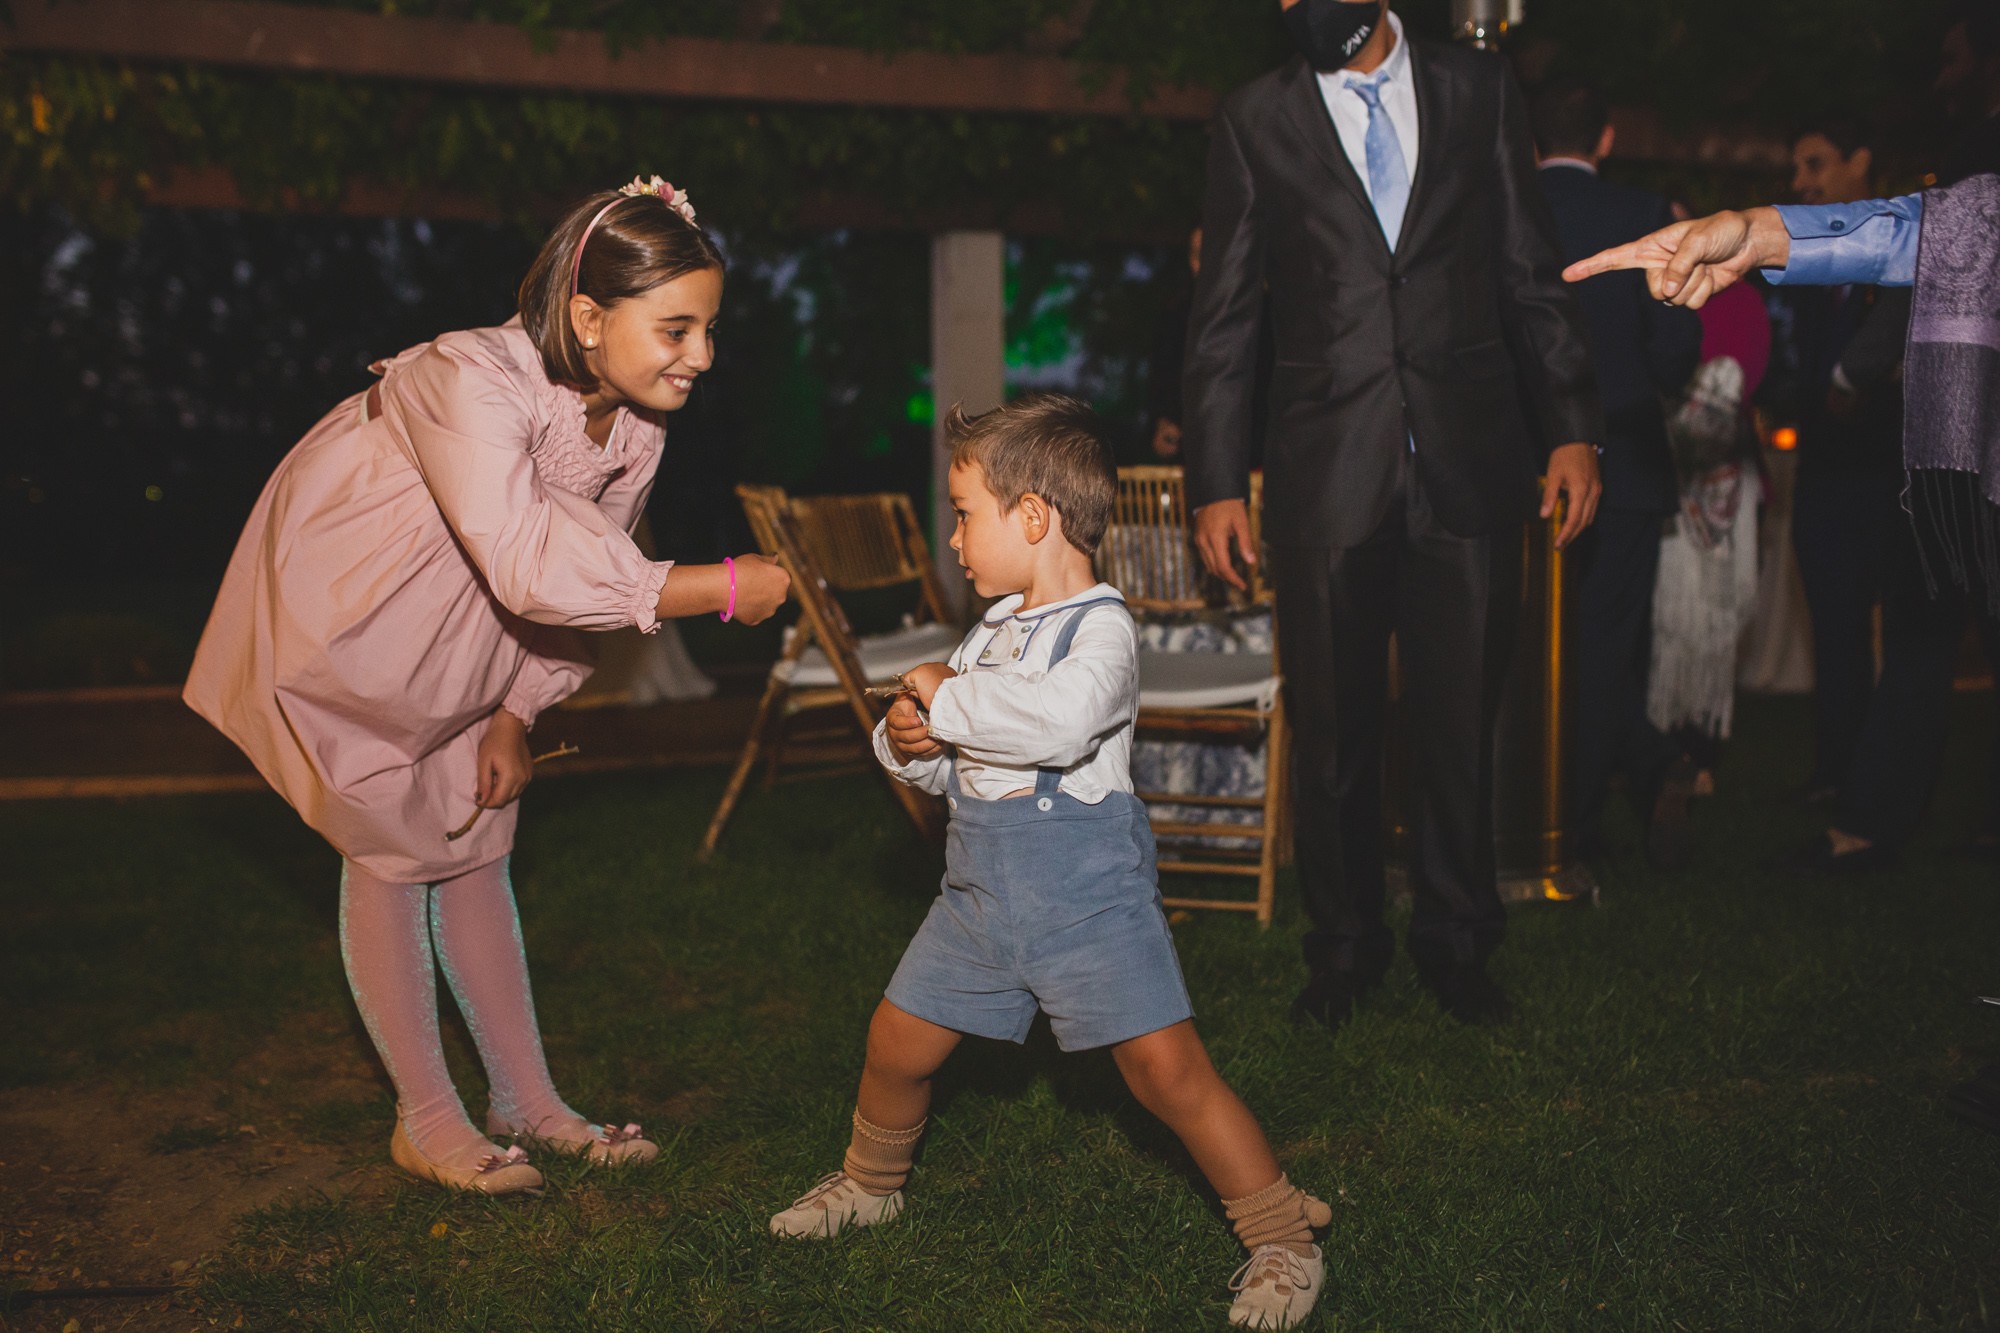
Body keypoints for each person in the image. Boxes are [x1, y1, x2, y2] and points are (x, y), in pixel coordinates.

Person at [184, 177, 791, 1195]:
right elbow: (523, 559)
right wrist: (719, 589)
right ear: (589, 318)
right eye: (677, 328)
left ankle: (527, 1102)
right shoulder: (465, 375)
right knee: (389, 849)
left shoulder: (634, 429)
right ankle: (424, 1119)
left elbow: (571, 579)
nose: (702, 355)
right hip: (357, 619)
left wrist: (517, 707)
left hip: (467, 629)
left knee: (474, 842)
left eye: (711, 328)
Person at [769, 397, 1332, 1331]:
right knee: (894, 1044)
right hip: (978, 899)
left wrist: (949, 702)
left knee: (1167, 1076)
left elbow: (1057, 726)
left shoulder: (1102, 632)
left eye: (963, 512)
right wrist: (911, 739)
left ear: (1033, 517)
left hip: (1085, 904)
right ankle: (872, 1183)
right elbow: (962, 761)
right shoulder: (988, 630)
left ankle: (1282, 1236)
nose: (953, 537)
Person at [1183, 0, 1605, 1032]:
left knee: (1461, 715)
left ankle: (1458, 942)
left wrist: (1571, 425)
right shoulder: (1254, 118)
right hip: (1324, 465)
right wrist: (1213, 479)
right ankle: (1342, 948)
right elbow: (1227, 315)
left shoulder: (1476, 90)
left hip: (1468, 458)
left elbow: (1526, 269)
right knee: (1333, 729)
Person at [1530, 75, 1704, 865]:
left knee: (1530, 644)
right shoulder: (1645, 216)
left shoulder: (1504, 209)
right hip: (1628, 461)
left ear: (1531, 141)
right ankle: (1595, 806)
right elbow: (1675, 357)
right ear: (1604, 138)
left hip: (1522, 466)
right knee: (1605, 643)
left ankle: (1558, 810)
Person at [1776, 119, 1912, 805]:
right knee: (1833, 623)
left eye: (1816, 163)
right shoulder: (1818, 260)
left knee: (1897, 631)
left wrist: (1851, 379)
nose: (1802, 182)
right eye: (1798, 168)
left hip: (1885, 468)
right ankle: (1836, 774)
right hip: (1823, 468)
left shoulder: (1899, 249)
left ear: (1861, 161)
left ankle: (1874, 781)